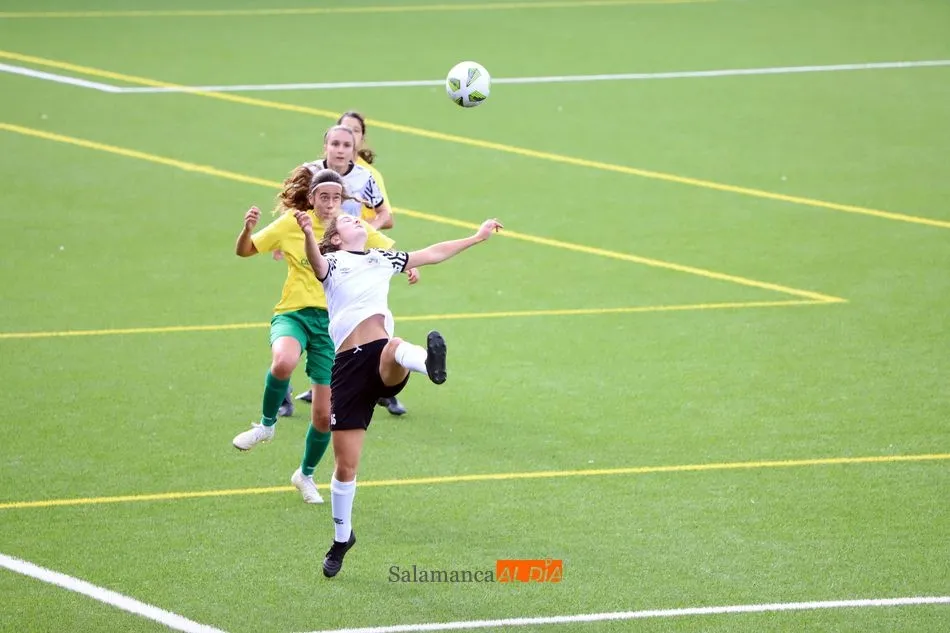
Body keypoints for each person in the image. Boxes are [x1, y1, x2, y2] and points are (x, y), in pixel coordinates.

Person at [293, 204, 503, 577]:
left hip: (380, 358)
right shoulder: (334, 263)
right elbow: (315, 261)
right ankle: (342, 538)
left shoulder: (382, 258)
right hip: (347, 369)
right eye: (346, 220)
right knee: (345, 466)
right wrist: (310, 233)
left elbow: (432, 253)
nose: (355, 219)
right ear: (336, 238)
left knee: (394, 345)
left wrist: (476, 237)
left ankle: (429, 365)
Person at [232, 166, 416, 505]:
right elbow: (245, 250)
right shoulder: (292, 223)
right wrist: (247, 229)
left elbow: (388, 252)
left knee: (322, 416)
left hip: (333, 328)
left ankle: (305, 475)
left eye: (336, 198)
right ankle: (265, 425)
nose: (331, 204)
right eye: (324, 197)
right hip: (294, 313)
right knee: (283, 361)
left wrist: (411, 266)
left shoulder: (350, 227)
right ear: (311, 198)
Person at [297, 114, 409, 417]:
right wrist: (286, 242)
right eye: (335, 143)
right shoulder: (309, 172)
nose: (341, 149)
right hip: (315, 254)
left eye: (348, 143)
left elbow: (385, 215)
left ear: (356, 146)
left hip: (352, 259)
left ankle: (380, 387)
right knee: (309, 316)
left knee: (357, 318)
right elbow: (291, 208)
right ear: (325, 146)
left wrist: (365, 232)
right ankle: (315, 384)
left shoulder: (365, 177)